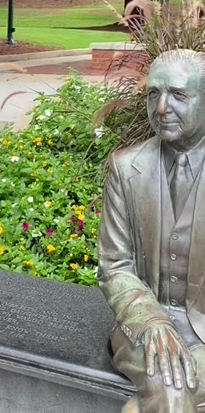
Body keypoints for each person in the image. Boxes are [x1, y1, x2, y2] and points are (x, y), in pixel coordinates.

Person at [98, 49, 205, 412]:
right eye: (153, 94)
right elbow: (115, 265)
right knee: (172, 389)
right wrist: (152, 321)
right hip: (141, 330)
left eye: (178, 95)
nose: (161, 108)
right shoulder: (126, 167)